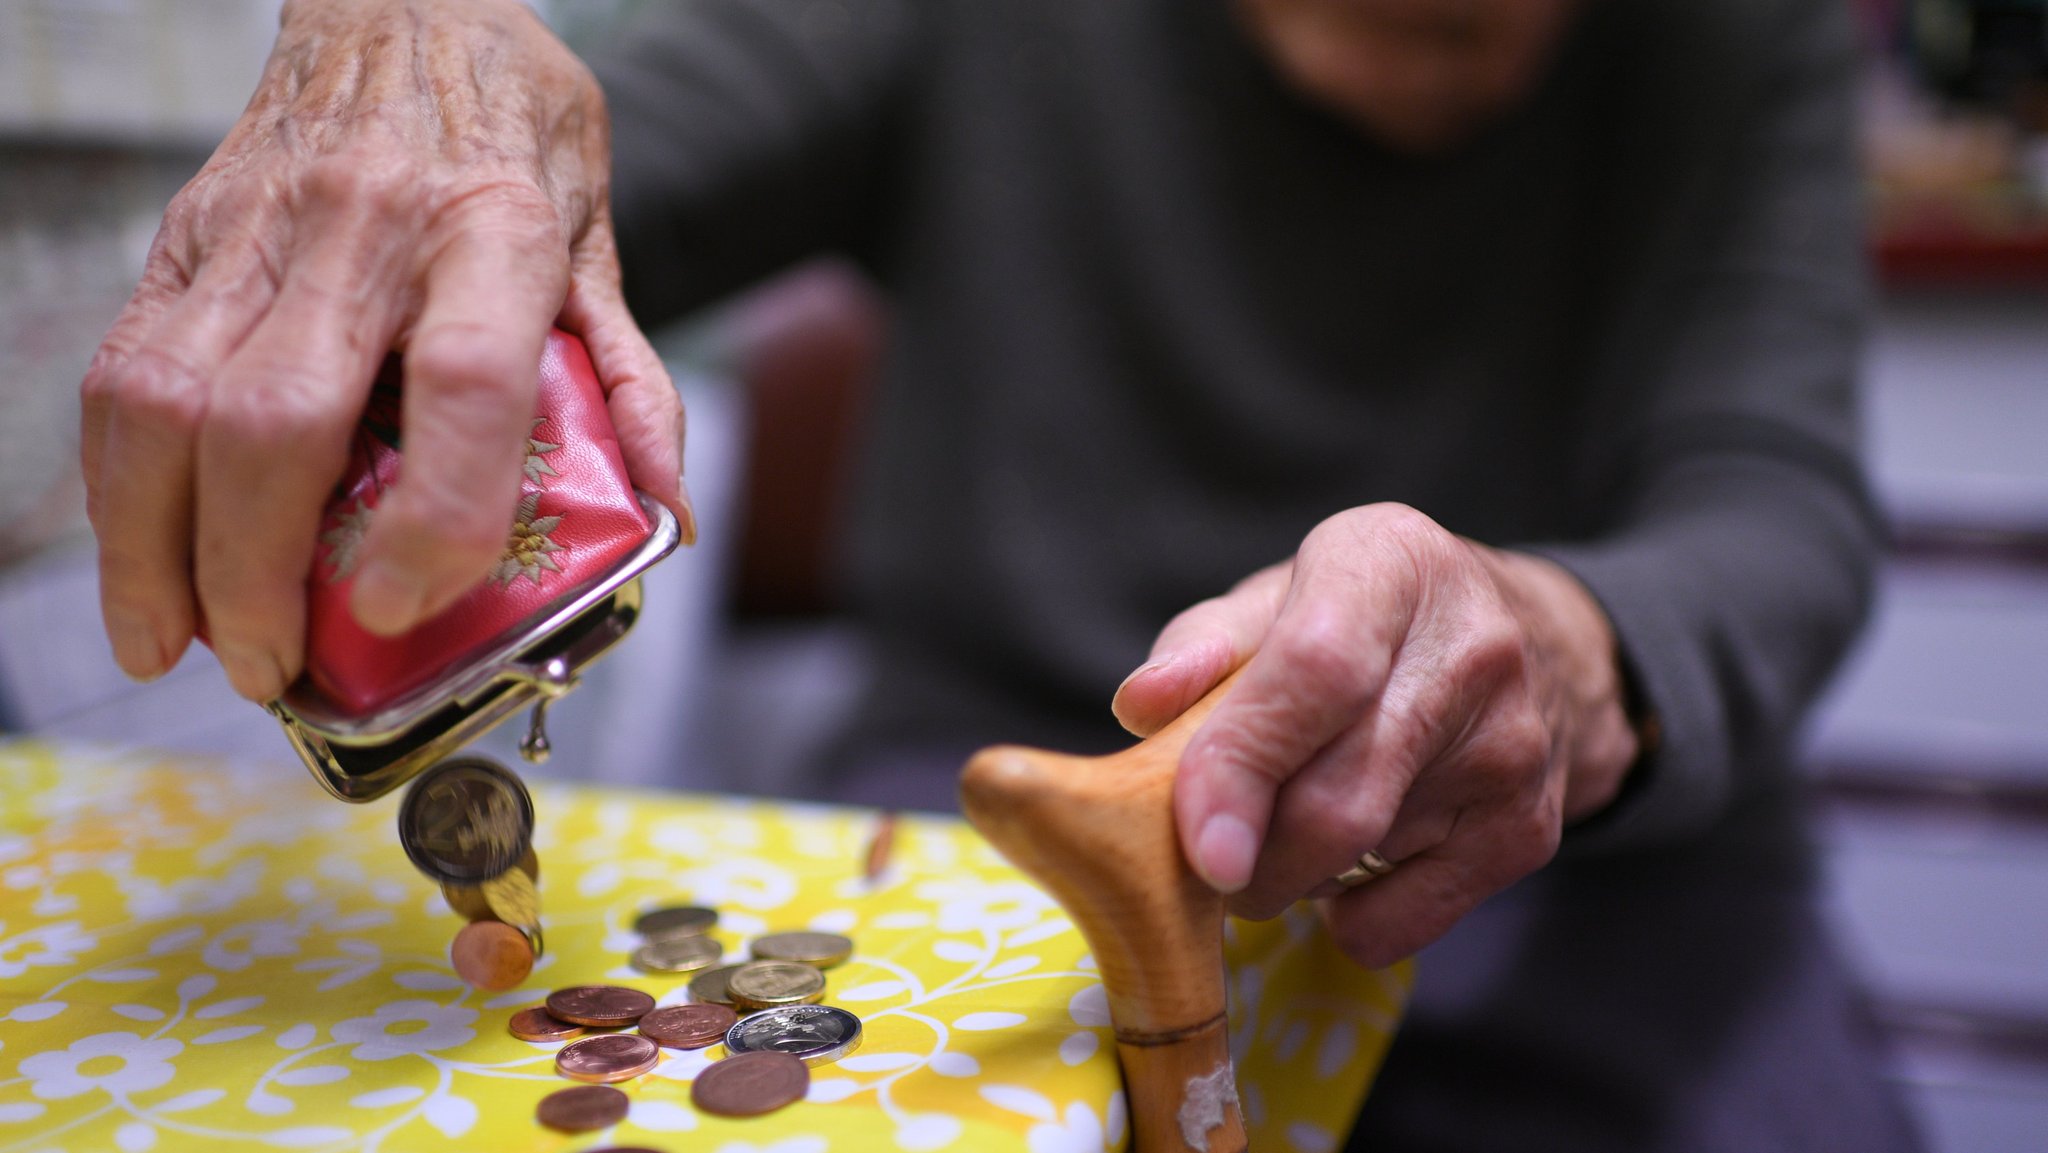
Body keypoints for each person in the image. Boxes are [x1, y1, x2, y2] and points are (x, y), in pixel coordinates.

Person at [78, 0, 1921, 1148]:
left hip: (1595, 877)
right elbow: (591, 174)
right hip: (984, 823)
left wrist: (1563, 650)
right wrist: (431, 64)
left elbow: (1774, 502)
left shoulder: (1732, 40)